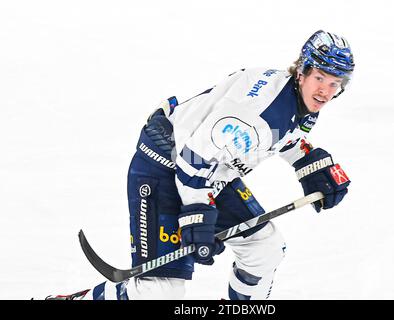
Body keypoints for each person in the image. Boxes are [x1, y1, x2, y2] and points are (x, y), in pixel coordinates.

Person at [45, 30, 354, 300]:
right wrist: (197, 215)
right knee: (160, 291)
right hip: (163, 169)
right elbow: (194, 158)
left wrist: (309, 161)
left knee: (264, 249)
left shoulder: (297, 100)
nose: (325, 91)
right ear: (302, 71)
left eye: (334, 83)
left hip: (208, 173)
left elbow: (279, 136)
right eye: (319, 78)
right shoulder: (256, 113)